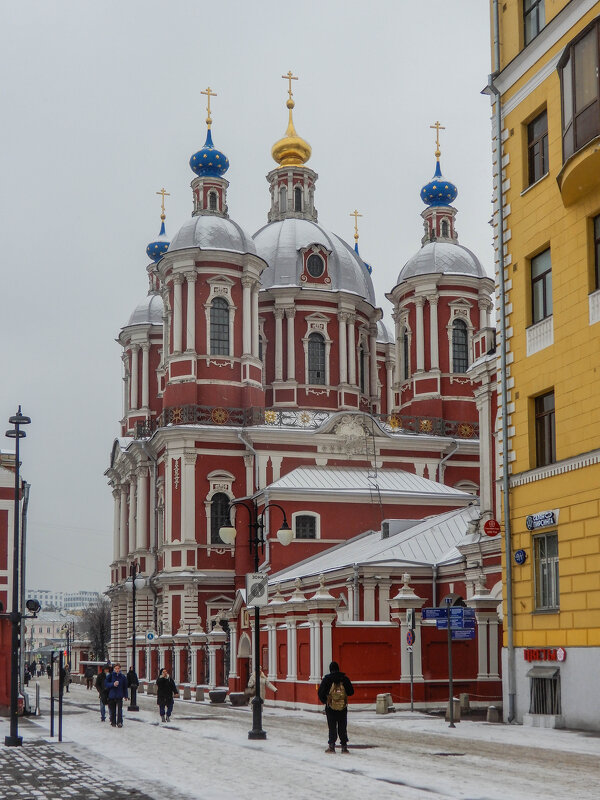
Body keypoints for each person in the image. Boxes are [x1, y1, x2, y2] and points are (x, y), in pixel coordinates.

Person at [317, 661, 354, 754]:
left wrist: (326, 701)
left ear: (330, 669)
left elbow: (320, 693)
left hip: (330, 707)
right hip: (342, 707)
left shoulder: (327, 679)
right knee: (342, 726)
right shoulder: (344, 679)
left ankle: (332, 746)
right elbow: (351, 691)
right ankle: (344, 747)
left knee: (332, 727)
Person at [105, 662, 128, 728]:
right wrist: (113, 684)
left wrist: (126, 695)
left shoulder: (123, 677)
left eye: (118, 668)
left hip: (119, 695)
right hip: (112, 695)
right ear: (114, 669)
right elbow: (106, 684)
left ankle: (119, 722)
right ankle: (113, 722)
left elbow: (125, 687)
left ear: (120, 669)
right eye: (116, 668)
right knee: (113, 710)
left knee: (120, 710)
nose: (117, 670)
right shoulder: (110, 676)